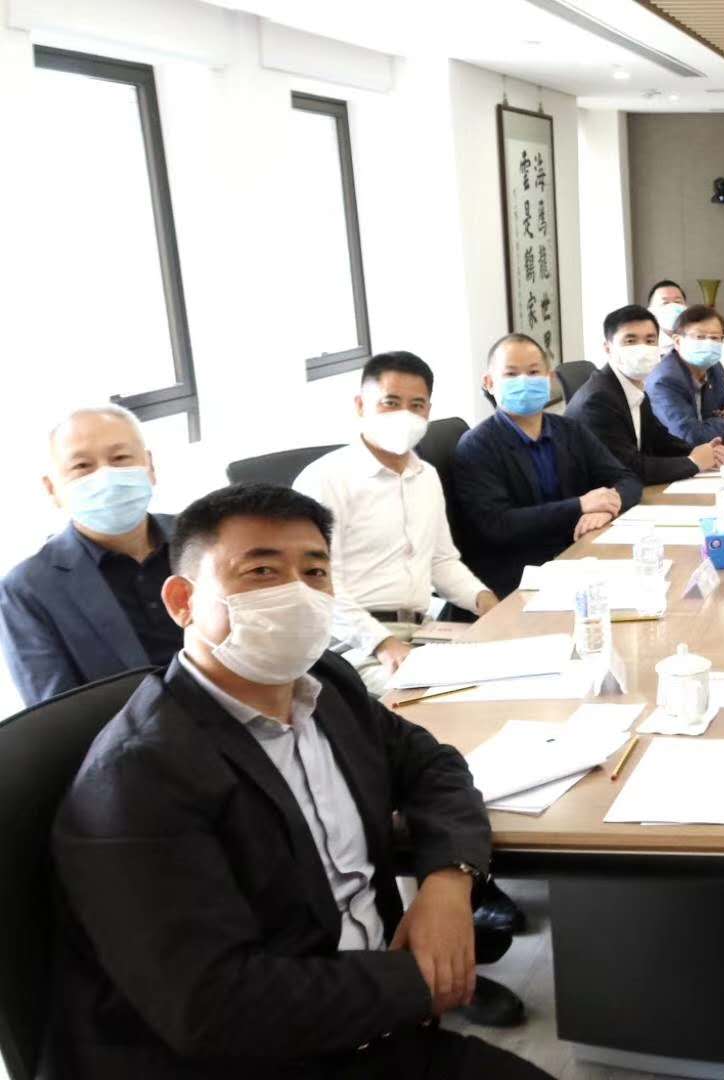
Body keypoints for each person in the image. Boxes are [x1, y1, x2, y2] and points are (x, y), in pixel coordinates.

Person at [47, 483, 549, 1079]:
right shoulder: (140, 777)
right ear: (183, 601)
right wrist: (423, 976)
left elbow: (432, 764)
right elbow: (215, 1008)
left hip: (369, 1027)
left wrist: (448, 882)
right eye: (261, 571)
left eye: (314, 572)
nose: (297, 593)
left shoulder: (324, 685)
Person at [293, 352, 497, 696]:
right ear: (361, 405)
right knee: (450, 699)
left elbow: (441, 561)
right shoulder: (326, 480)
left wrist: (487, 602)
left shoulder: (425, 475)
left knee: (512, 673)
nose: (405, 414)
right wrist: (382, 643)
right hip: (352, 647)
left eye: (416, 405)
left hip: (423, 633)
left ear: (428, 411)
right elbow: (316, 585)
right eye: (390, 402)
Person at [2, 405, 179, 706]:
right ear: (52, 488)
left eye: (120, 458)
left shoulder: (207, 537)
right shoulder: (26, 589)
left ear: (150, 466)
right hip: (135, 734)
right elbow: (59, 713)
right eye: (82, 466)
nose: (106, 476)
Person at [452, 333, 643, 597]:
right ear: (489, 382)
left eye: (533, 373)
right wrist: (580, 506)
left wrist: (607, 508)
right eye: (511, 374)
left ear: (550, 379)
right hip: (518, 577)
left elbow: (628, 480)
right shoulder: (477, 445)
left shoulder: (570, 430)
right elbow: (497, 525)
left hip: (578, 554)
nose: (524, 381)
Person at [568, 305, 724, 487]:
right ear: (607, 348)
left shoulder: (632, 387)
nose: (642, 348)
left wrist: (702, 451)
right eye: (630, 341)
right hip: (596, 497)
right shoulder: (599, 399)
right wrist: (693, 462)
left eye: (650, 340)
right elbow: (628, 467)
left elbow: (658, 439)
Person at [646, 305, 724, 446]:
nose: (708, 343)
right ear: (677, 341)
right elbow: (690, 438)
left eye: (715, 338)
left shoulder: (714, 369)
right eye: (700, 337)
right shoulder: (665, 380)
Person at [645, 279, 688, 356]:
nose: (673, 306)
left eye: (677, 302)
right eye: (665, 303)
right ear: (651, 311)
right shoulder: (647, 345)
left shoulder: (696, 339)